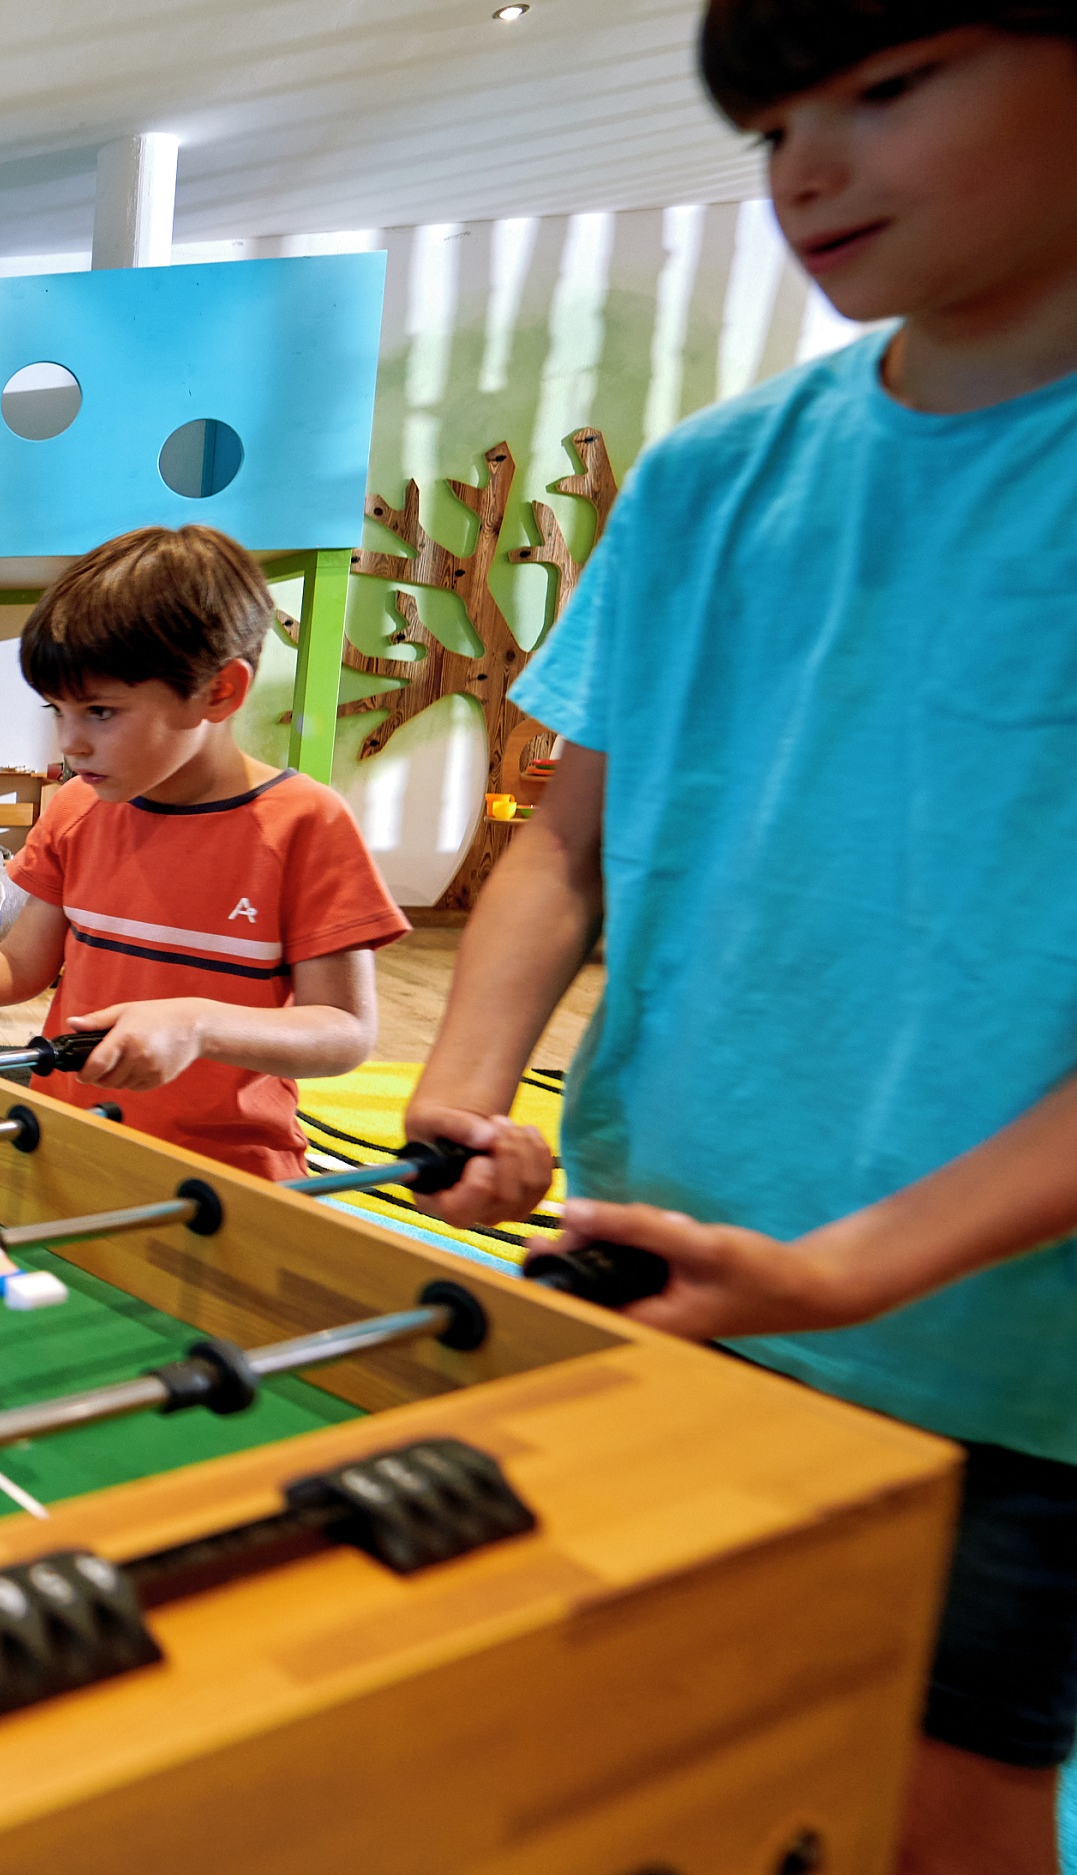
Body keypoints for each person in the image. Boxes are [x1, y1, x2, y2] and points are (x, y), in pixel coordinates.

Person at [400, 13, 1077, 1871]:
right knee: (644, 1754)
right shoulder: (709, 480)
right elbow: (564, 847)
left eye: (888, 89)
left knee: (938, 1810)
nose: (808, 171)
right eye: (773, 126)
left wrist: (848, 1272)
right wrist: (465, 1093)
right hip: (659, 1255)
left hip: (994, 1353)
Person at [0, 525, 404, 1180]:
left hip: (229, 1175)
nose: (71, 742)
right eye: (57, 710)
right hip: (67, 1140)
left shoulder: (307, 825)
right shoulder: (77, 807)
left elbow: (343, 1031)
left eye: (99, 711)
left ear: (219, 692)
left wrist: (198, 1024)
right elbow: (18, 965)